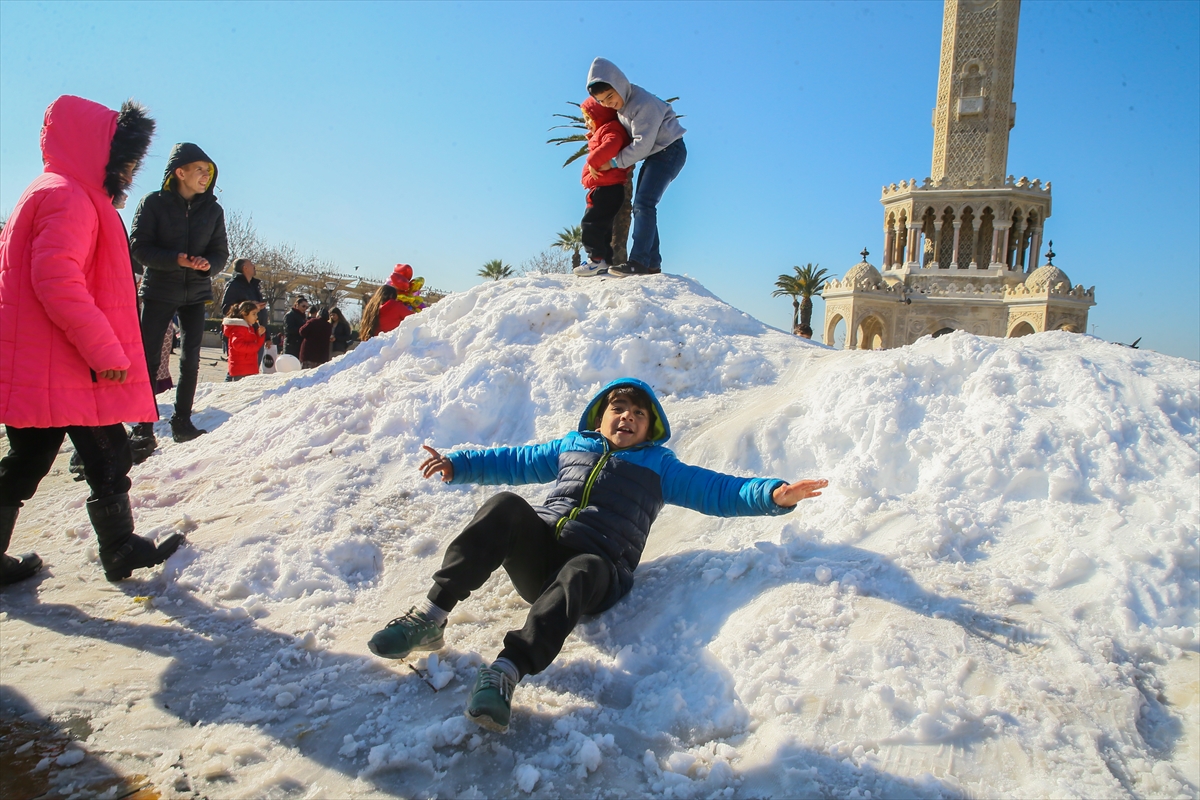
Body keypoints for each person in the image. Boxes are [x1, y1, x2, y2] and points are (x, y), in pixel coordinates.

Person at [366, 378, 827, 732]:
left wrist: (773, 494)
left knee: (582, 568)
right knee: (506, 504)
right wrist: (460, 464)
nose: (626, 417)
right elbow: (517, 461)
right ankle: (430, 616)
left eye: (638, 414)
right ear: (601, 415)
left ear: (651, 428)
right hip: (541, 559)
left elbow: (717, 490)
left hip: (599, 571)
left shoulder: (660, 467)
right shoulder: (573, 445)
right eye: (618, 408)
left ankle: (506, 672)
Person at [0, 95, 185, 585]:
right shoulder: (69, 197)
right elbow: (57, 282)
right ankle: (120, 550)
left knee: (29, 461)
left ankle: (119, 548)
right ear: (95, 151)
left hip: (46, 363)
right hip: (66, 364)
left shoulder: (52, 189)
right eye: (123, 162)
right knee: (106, 454)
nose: (128, 173)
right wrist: (106, 350)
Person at [129, 141, 228, 446]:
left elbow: (220, 253)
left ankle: (182, 420)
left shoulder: (213, 210)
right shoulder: (153, 203)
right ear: (179, 172)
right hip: (159, 290)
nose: (205, 176)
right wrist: (176, 258)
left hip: (196, 293)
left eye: (209, 171)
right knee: (146, 357)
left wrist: (207, 264)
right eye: (200, 169)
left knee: (191, 358)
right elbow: (139, 247)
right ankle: (143, 426)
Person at [585, 58, 687, 278]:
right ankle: (652, 263)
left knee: (644, 203)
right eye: (602, 101)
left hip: (670, 151)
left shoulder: (642, 104)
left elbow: (642, 144)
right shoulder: (622, 107)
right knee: (643, 204)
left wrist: (613, 163)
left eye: (610, 96)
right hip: (658, 154)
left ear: (620, 85)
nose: (608, 103)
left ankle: (638, 262)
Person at [573, 97, 632, 277]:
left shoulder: (610, 129)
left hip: (606, 188)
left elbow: (612, 143)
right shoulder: (605, 130)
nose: (587, 124)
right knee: (604, 226)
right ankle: (604, 260)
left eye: (590, 119)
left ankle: (596, 260)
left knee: (591, 224)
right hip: (606, 187)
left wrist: (594, 160)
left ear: (602, 115)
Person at [222, 301, 267, 381]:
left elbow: (257, 344)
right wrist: (254, 346)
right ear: (244, 313)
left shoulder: (249, 327)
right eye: (254, 314)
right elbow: (237, 344)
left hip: (248, 367)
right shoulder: (239, 328)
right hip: (241, 368)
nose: (256, 317)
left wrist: (260, 335)